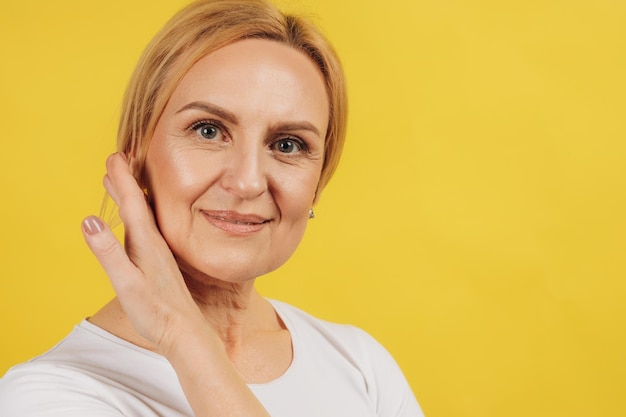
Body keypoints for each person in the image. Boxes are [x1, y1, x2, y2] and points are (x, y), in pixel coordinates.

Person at [0, 0, 424, 416]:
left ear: (317, 183)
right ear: (137, 156)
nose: (248, 181)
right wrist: (181, 335)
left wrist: (186, 338)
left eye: (287, 145)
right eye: (208, 130)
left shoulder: (361, 366)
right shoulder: (48, 395)